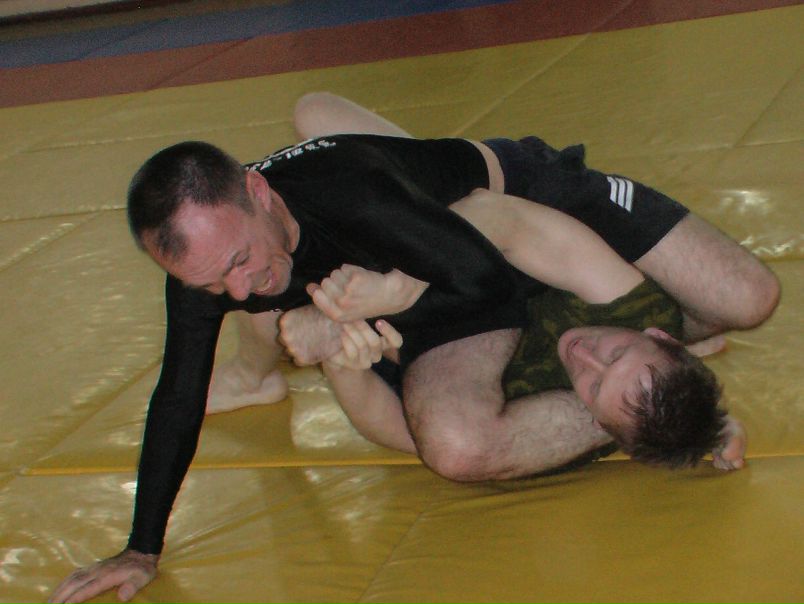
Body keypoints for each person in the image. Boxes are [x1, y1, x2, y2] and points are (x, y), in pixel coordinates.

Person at [49, 97, 778, 604]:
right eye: (212, 282)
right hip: (437, 261)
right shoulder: (212, 268)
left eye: (239, 261)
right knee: (288, 318)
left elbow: (490, 281)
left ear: (259, 193)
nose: (236, 288)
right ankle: (650, 386)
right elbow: (178, 391)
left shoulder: (355, 194)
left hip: (508, 212)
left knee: (748, 299)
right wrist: (141, 547)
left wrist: (377, 301)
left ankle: (660, 390)